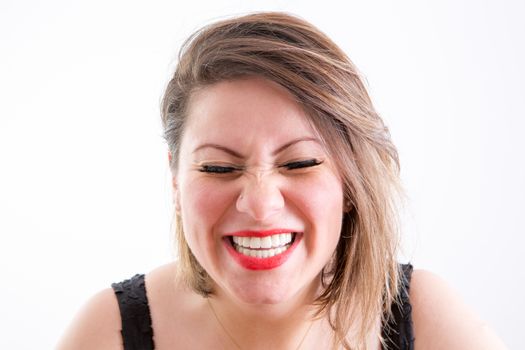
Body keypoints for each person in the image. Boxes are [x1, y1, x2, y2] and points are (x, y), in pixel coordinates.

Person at [57, 12, 507, 350]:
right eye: (218, 168)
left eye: (300, 163)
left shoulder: (429, 321)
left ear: (351, 180)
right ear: (175, 181)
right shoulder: (108, 332)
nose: (260, 204)